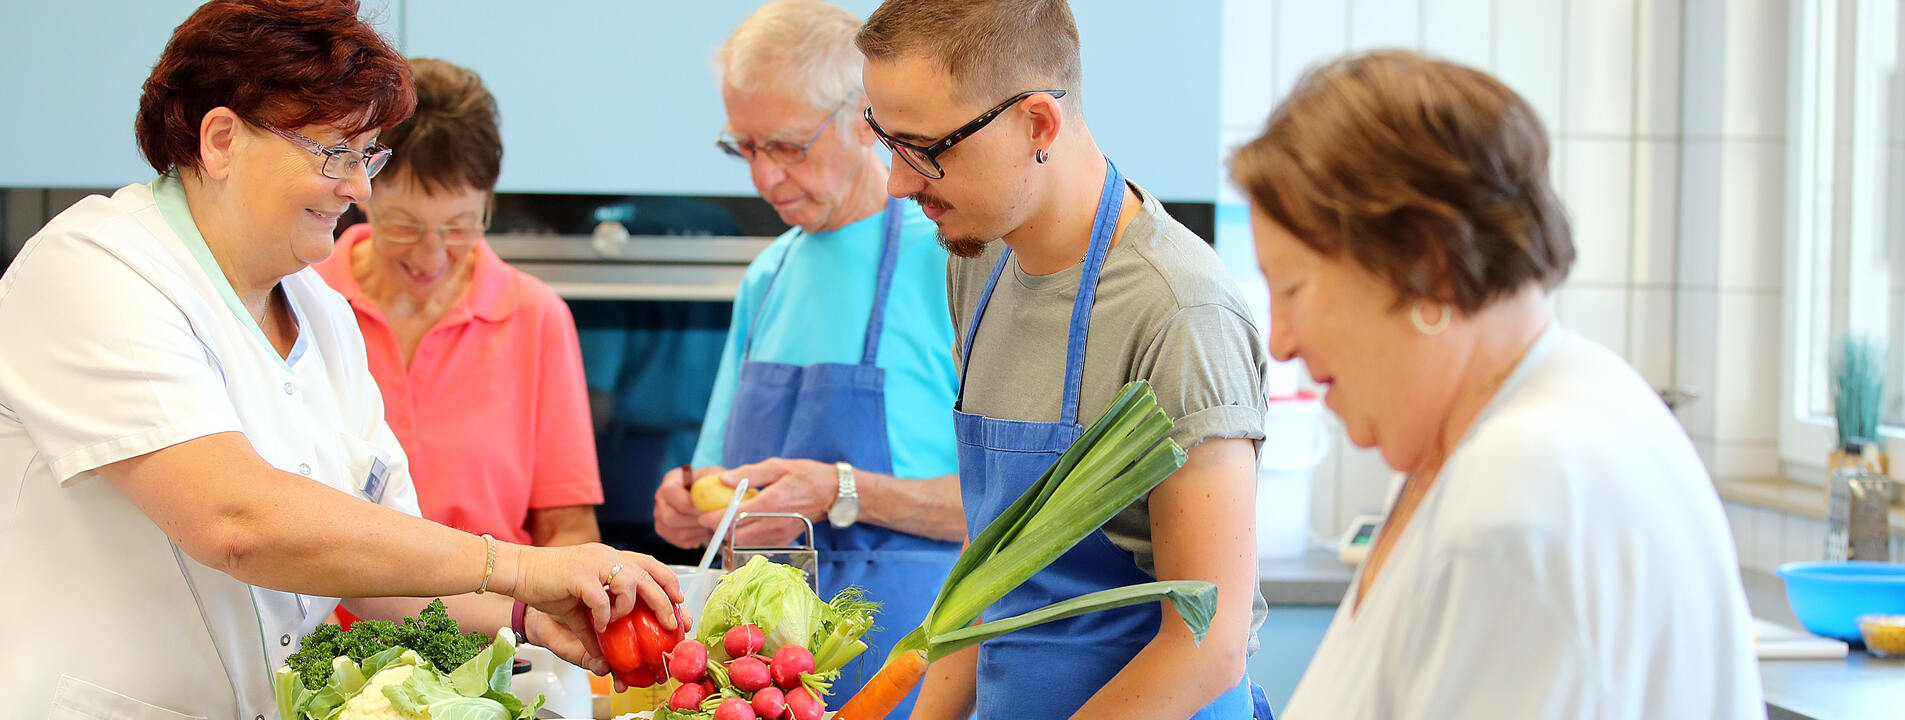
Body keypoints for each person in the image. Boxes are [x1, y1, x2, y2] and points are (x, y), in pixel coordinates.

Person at [0, 3, 679, 716]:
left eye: (367, 156)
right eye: (335, 154)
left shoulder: (322, 314)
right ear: (222, 139)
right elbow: (235, 520)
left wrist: (523, 611)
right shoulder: (95, 268)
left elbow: (380, 564)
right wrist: (517, 565)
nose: (359, 189)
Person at [1229, 51, 1763, 718]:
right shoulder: (1507, 425)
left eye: (1294, 289)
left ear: (1424, 264)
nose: (1280, 341)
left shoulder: (1525, 490)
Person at [857, 2, 1272, 719]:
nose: (897, 182)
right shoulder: (978, 262)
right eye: (884, 139)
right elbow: (988, 570)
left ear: (1038, 125)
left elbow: (1210, 643)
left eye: (925, 149)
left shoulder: (1180, 312)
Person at [651, 1, 963, 714]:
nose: (764, 179)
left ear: (867, 119)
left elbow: (1014, 512)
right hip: (757, 688)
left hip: (914, 681)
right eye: (745, 148)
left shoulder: (953, 263)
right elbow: (717, 484)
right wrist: (687, 506)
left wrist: (842, 490)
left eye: (788, 147)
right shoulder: (767, 279)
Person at [316, 58, 603, 548]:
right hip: (333, 625)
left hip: (498, 622)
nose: (432, 257)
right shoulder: (306, 301)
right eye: (405, 224)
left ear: (489, 203)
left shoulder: (535, 317)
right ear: (362, 185)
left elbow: (566, 531)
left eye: (459, 226)